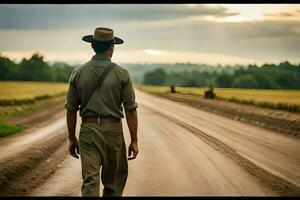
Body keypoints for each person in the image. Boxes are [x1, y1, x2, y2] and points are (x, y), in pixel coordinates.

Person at [65, 27, 139, 197]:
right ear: (111, 47)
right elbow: (130, 111)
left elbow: (71, 110)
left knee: (90, 181)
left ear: (92, 46)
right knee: (112, 183)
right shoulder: (122, 74)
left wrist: (71, 138)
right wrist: (134, 140)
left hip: (88, 131)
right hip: (113, 133)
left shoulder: (78, 72)